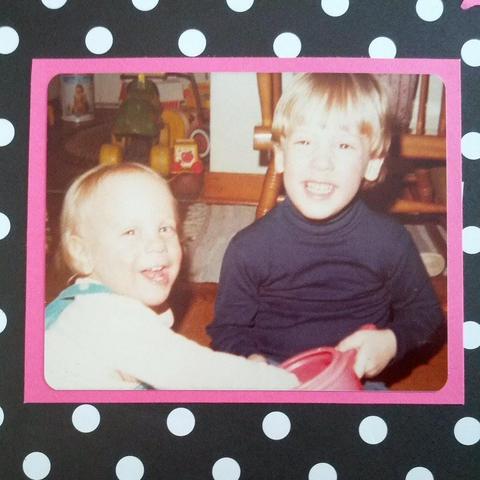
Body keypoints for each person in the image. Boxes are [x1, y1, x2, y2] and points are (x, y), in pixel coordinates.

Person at [208, 73, 444, 380]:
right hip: (274, 376)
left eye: (344, 145)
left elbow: (427, 315)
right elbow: (227, 330)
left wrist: (391, 341)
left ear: (372, 164)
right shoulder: (248, 248)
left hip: (355, 377)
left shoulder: (389, 241)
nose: (322, 162)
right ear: (279, 155)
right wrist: (249, 361)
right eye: (305, 141)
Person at [45, 163, 298, 390]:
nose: (157, 244)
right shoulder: (110, 319)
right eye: (131, 232)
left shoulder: (90, 302)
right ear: (82, 252)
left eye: (165, 228)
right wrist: (283, 382)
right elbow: (196, 372)